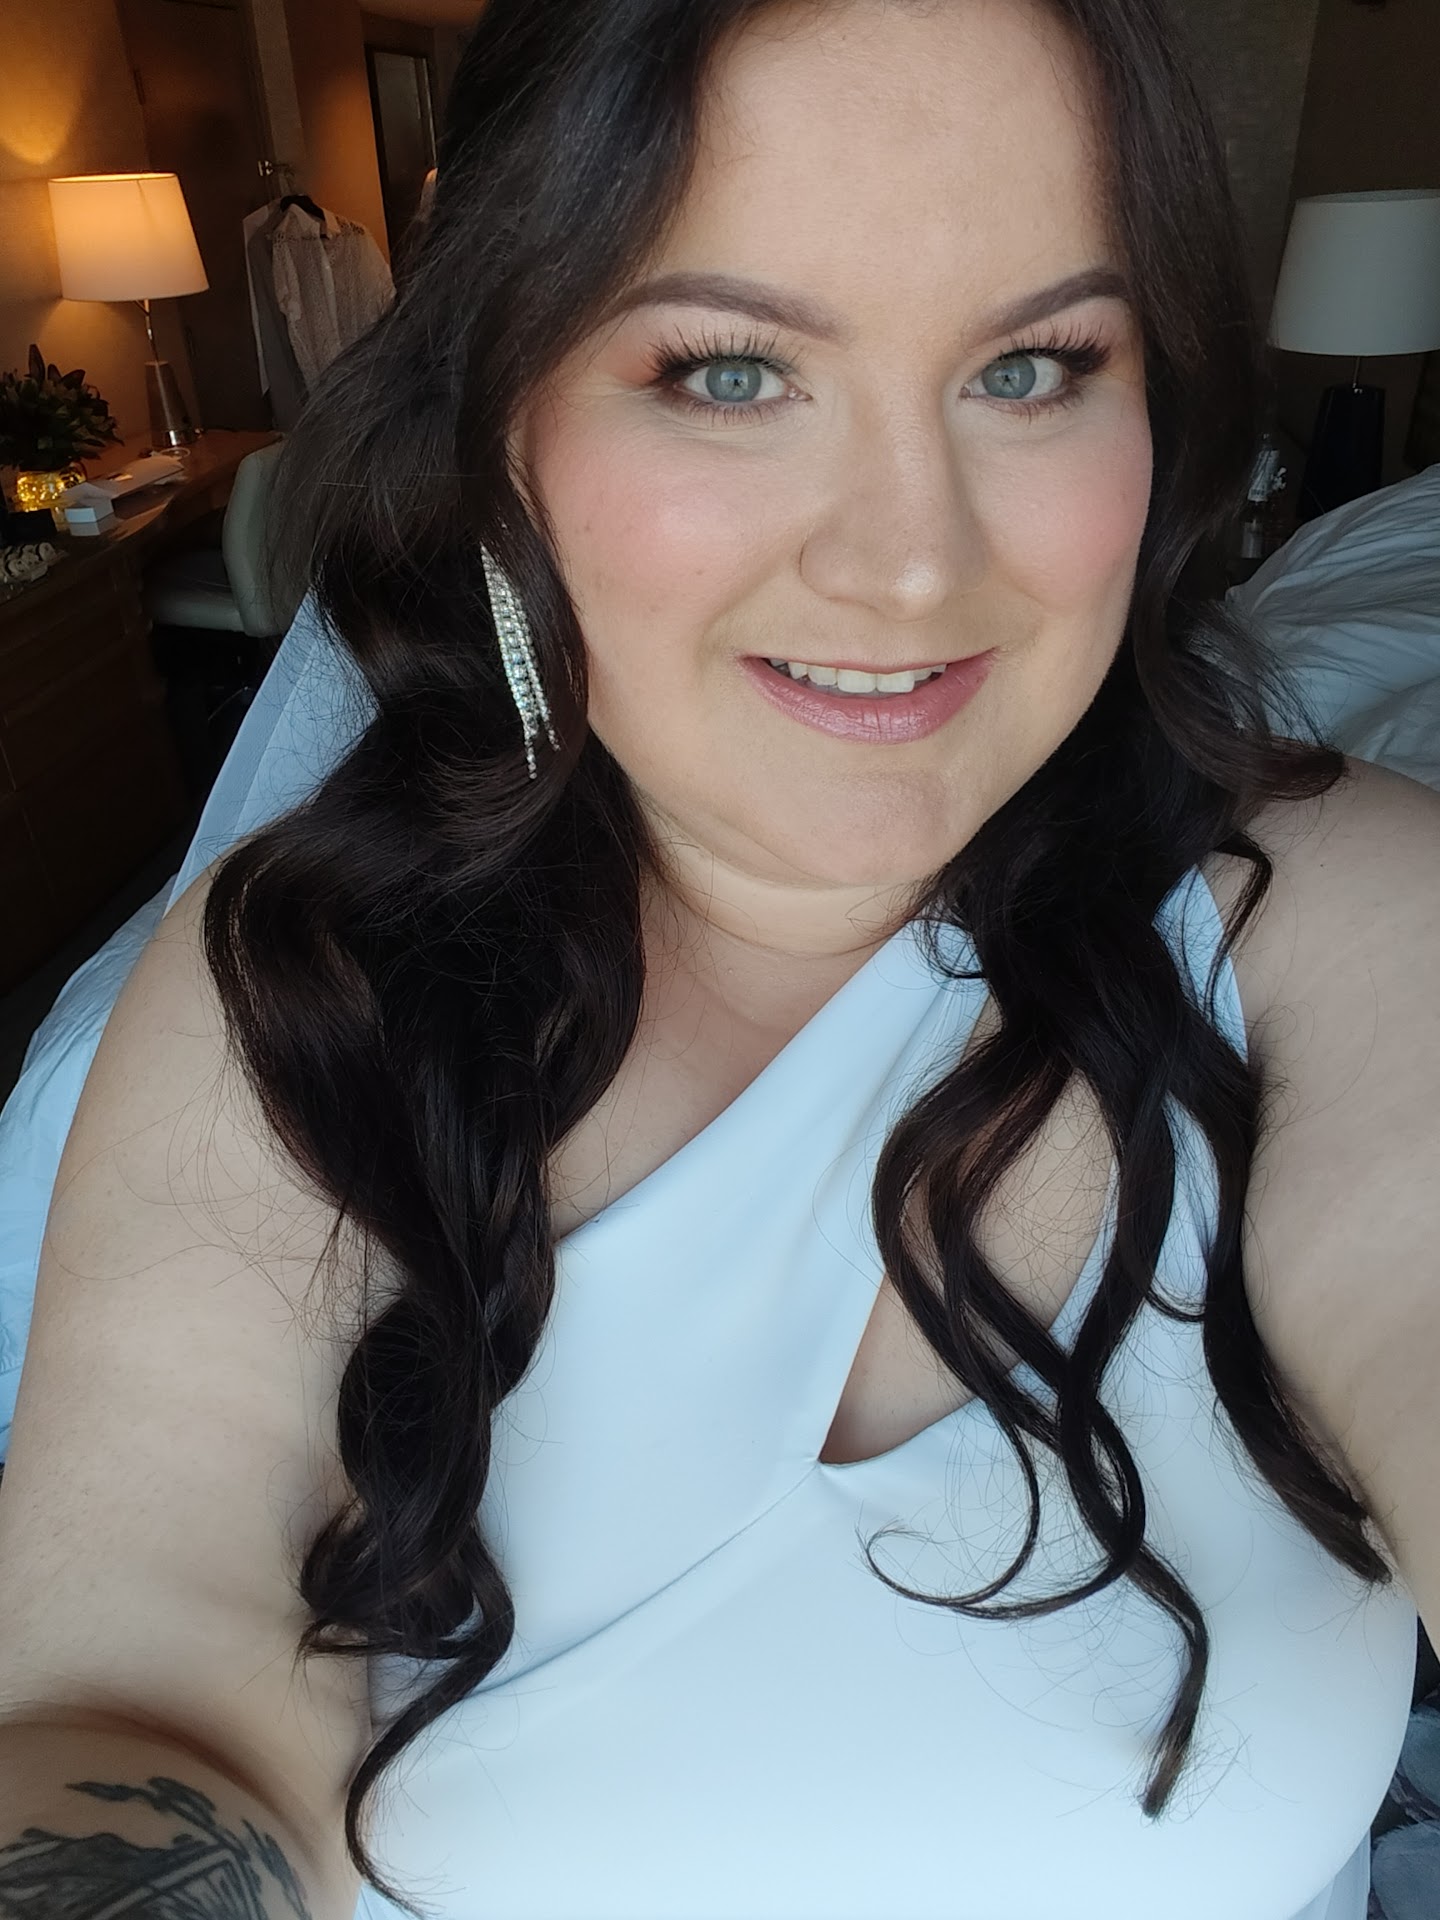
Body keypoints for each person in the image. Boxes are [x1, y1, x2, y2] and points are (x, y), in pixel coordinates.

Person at [1, 0, 1437, 1915]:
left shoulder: (1340, 918)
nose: (911, 564)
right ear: (505, 423)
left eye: (1031, 367)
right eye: (731, 372)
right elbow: (140, 1684)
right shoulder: (297, 984)